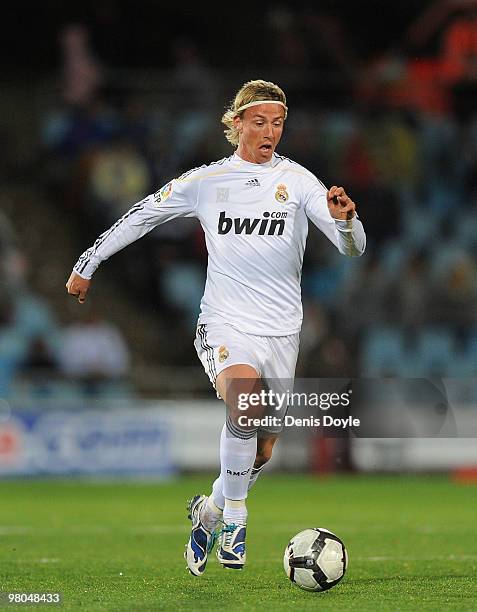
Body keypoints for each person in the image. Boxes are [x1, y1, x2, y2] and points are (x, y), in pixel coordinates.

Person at [66, 79, 366, 575]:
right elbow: (144, 215)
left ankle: (208, 511)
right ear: (237, 124)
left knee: (263, 449)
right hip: (225, 323)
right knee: (245, 401)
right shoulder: (208, 182)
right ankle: (235, 522)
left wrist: (348, 221)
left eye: (278, 122)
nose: (270, 131)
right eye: (259, 121)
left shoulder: (300, 182)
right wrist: (88, 263)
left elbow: (350, 247)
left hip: (282, 331)